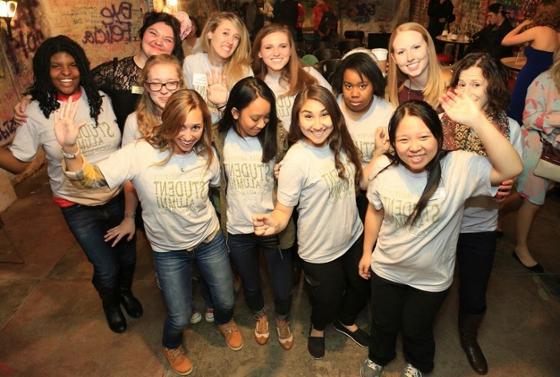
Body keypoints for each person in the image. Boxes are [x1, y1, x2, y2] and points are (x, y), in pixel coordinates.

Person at [55, 89, 243, 376]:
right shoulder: (139, 153)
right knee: (179, 317)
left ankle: (224, 321)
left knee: (226, 300)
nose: (187, 135)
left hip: (208, 240)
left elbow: (218, 186)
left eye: (195, 127)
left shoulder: (206, 154)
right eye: (179, 125)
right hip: (169, 252)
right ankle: (171, 345)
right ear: (166, 121)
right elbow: (89, 180)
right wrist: (70, 149)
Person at [358, 95, 522, 377]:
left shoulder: (459, 167)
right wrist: (366, 251)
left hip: (431, 278)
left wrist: (476, 120)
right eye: (404, 140)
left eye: (424, 136)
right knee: (383, 323)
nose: (415, 147)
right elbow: (375, 211)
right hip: (387, 269)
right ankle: (378, 357)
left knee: (416, 327)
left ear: (438, 135)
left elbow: (512, 168)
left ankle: (419, 365)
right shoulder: (384, 168)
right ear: (394, 143)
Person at [0, 36, 141, 334]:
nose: (66, 72)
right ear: (44, 70)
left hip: (117, 195)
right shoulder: (36, 112)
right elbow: (20, 162)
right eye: (56, 67)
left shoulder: (101, 98)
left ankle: (125, 291)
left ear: (82, 68)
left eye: (72, 65)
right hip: (77, 206)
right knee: (106, 266)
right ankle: (110, 302)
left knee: (128, 258)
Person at [252, 85, 370, 359]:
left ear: (335, 116)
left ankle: (346, 320)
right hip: (319, 250)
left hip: (353, 236)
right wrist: (274, 223)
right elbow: (283, 210)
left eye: (324, 114)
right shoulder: (296, 159)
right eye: (308, 116)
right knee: (325, 300)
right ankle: (317, 328)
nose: (317, 125)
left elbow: (359, 180)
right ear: (297, 119)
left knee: (361, 285)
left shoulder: (340, 142)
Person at [441, 52, 522, 375]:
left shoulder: (509, 127)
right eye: (462, 83)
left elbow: (511, 181)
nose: (468, 89)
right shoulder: (440, 118)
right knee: (431, 284)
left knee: (474, 290)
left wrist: (507, 190)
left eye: (476, 83)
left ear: (493, 87)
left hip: (480, 224)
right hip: (442, 221)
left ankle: (469, 338)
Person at [213, 77, 295, 350]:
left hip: (273, 225)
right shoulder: (219, 137)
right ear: (235, 112)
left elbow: (295, 168)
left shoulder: (278, 134)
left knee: (283, 286)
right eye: (254, 118)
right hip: (238, 228)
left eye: (267, 118)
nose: (262, 124)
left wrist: (286, 172)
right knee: (250, 283)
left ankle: (282, 318)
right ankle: (260, 314)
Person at [12, 12, 185, 132]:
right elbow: (73, 81)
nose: (158, 41)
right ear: (142, 34)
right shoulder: (115, 72)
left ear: (173, 47)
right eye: (153, 33)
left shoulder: (179, 74)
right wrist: (32, 96)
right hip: (126, 155)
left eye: (167, 39)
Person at [514, 53, 560, 272]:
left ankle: (491, 218)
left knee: (526, 196)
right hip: (537, 149)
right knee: (534, 200)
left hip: (555, 154)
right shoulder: (544, 81)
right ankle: (520, 247)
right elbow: (529, 118)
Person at [252, 23, 332, 130]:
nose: (276, 53)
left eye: (283, 46)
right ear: (259, 53)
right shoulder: (253, 84)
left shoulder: (309, 75)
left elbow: (333, 110)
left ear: (290, 50)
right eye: (268, 47)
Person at [182, 11, 253, 122]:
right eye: (225, 33)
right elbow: (185, 106)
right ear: (210, 33)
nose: (230, 41)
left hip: (231, 133)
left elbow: (248, 115)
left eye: (236, 37)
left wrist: (225, 101)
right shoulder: (192, 63)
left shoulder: (244, 71)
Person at [501, 0, 560, 125]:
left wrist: (522, 25)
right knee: (533, 113)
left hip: (528, 77)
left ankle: (510, 140)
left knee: (516, 112)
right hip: (546, 82)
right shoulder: (558, 35)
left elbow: (505, 41)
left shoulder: (538, 30)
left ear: (541, 13)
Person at [386, 22, 451, 110]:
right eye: (401, 52)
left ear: (428, 47)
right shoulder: (398, 93)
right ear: (394, 58)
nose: (410, 57)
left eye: (416, 47)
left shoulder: (453, 87)